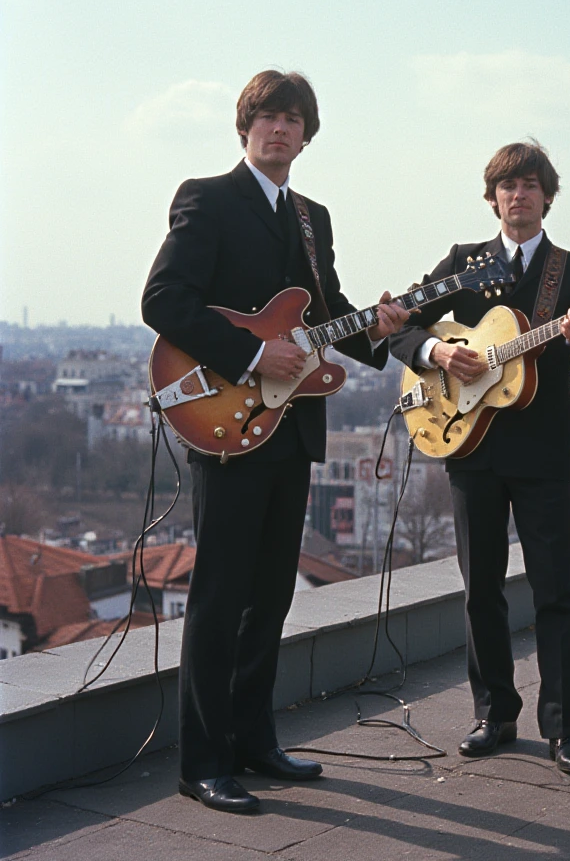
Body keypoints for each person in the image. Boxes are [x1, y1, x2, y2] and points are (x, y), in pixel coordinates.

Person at [142, 70, 408, 814]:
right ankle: (202, 762)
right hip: (228, 424)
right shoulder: (207, 197)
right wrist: (254, 357)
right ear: (245, 125)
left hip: (291, 430)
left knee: (270, 595)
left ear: (306, 134)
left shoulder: (311, 217)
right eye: (268, 116)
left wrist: (381, 332)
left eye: (293, 119)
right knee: (220, 595)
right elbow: (162, 300)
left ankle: (253, 741)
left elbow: (326, 309)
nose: (280, 129)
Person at [389, 142, 570, 775]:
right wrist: (437, 354)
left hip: (543, 452)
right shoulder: (463, 263)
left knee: (557, 592)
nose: (519, 194)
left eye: (531, 184)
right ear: (492, 197)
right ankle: (494, 714)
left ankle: (564, 729)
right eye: (507, 185)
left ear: (548, 196)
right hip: (470, 445)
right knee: (480, 590)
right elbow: (403, 325)